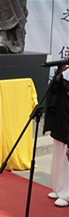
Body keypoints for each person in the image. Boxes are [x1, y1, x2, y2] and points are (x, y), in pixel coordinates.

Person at [44, 64, 69, 207]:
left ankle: (66, 192)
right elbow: (55, 90)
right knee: (58, 154)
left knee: (67, 158)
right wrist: (59, 74)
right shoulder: (66, 71)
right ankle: (58, 188)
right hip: (61, 119)